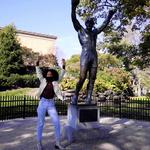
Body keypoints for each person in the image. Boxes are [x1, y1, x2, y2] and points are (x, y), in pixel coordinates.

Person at [71, 0, 116, 105]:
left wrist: (109, 15)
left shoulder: (95, 32)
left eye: (92, 23)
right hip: (85, 55)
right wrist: (73, 7)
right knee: (82, 78)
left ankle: (89, 98)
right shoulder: (80, 30)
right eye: (88, 22)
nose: (90, 24)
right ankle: (75, 96)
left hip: (94, 56)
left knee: (92, 79)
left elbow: (104, 25)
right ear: (86, 23)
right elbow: (74, 19)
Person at [36, 58, 66, 150]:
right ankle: (39, 143)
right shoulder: (43, 80)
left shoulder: (55, 82)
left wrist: (63, 66)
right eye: (48, 74)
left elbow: (61, 74)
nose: (49, 75)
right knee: (41, 123)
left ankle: (57, 143)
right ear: (46, 75)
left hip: (51, 104)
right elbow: (39, 74)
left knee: (57, 123)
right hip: (42, 103)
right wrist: (37, 65)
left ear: (53, 75)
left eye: (50, 74)